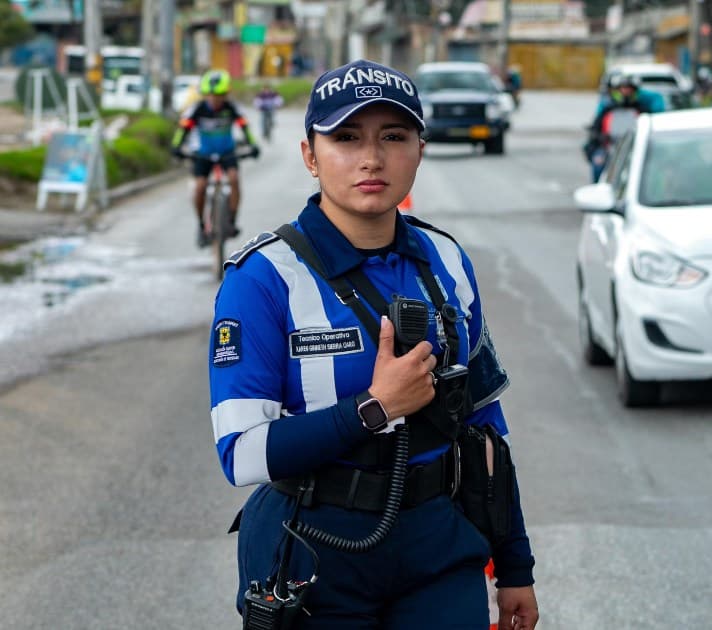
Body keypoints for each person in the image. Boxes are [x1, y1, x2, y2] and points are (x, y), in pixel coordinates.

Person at [209, 59, 539, 629]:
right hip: (313, 555)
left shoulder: (448, 262)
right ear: (310, 155)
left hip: (439, 548)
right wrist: (374, 408)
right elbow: (241, 454)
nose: (371, 158)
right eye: (345, 138)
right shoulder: (263, 278)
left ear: (419, 148)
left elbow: (486, 425)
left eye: (393, 136)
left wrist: (515, 566)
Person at [172, 69, 259, 247]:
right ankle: (201, 224)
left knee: (234, 179)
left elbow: (244, 127)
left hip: (227, 152)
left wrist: (253, 145)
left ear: (225, 94)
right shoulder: (197, 109)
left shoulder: (231, 108)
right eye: (210, 95)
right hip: (203, 153)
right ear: (205, 94)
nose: (215, 99)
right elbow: (183, 129)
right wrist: (177, 146)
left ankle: (232, 221)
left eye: (219, 95)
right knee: (200, 186)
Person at [584, 74, 651, 182]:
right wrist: (600, 138)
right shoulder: (607, 109)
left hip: (634, 147)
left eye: (629, 89)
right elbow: (595, 130)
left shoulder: (641, 110)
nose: (626, 92)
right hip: (608, 147)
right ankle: (596, 187)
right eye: (623, 88)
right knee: (598, 164)